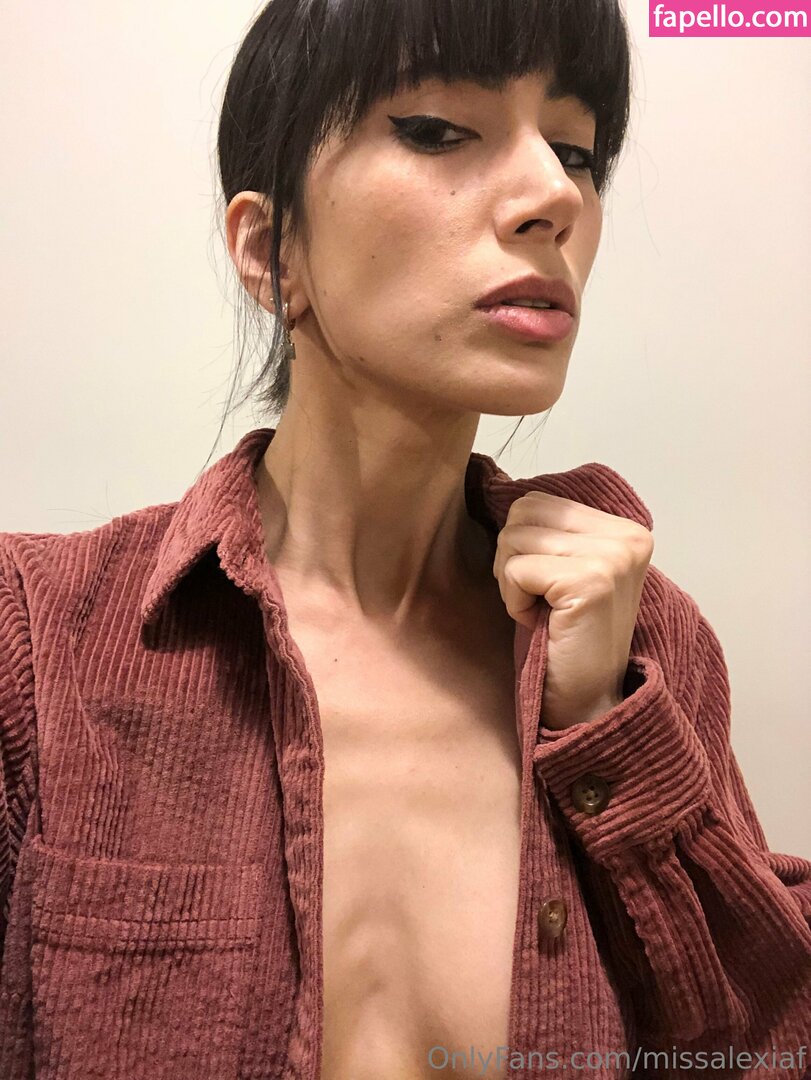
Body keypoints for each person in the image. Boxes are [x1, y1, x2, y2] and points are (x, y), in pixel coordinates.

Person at [1, 1, 810, 1078]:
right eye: (437, 131)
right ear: (268, 249)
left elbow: (764, 1043)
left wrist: (605, 733)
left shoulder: (641, 650)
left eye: (575, 151)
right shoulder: (38, 642)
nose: (553, 195)